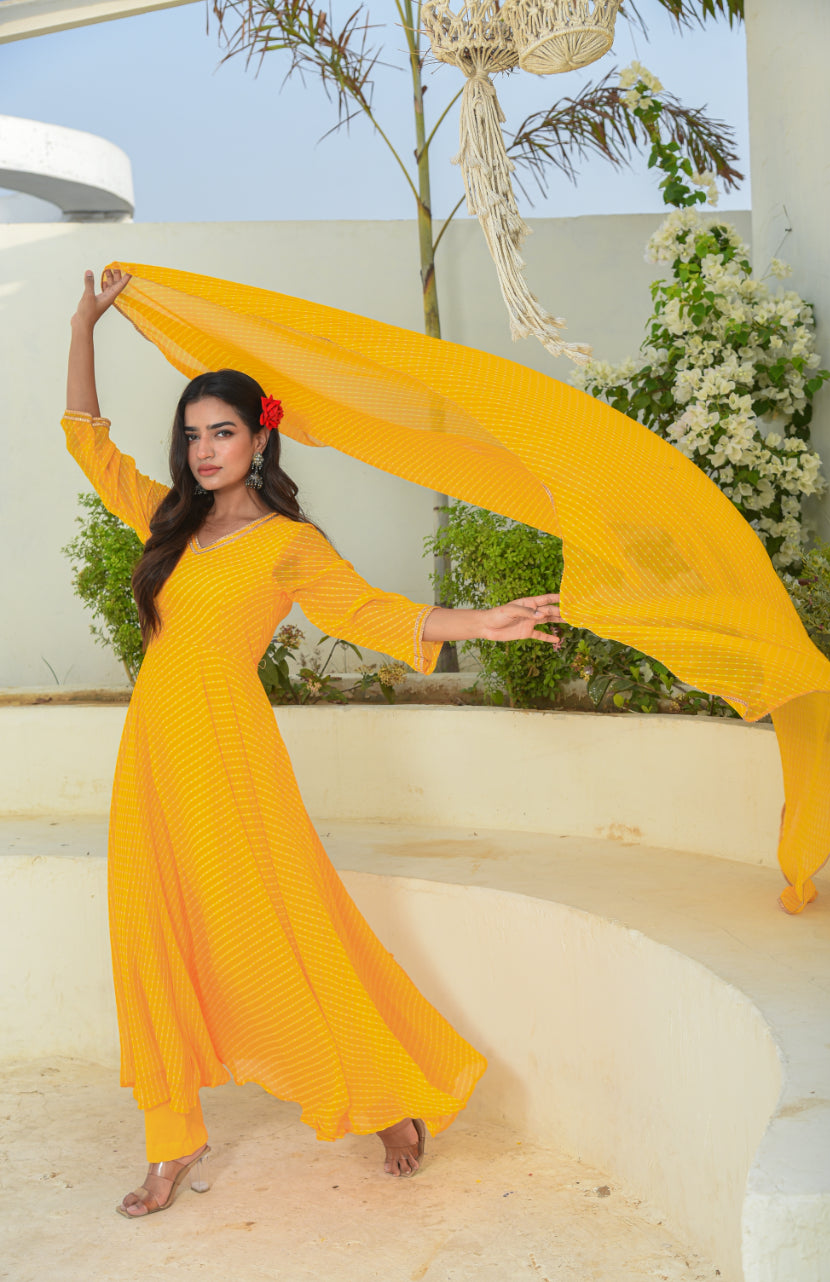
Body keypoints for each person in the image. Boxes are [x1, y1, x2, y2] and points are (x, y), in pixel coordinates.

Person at [64, 267, 564, 1218]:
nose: (204, 449)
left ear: (259, 439)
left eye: (223, 432)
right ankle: (172, 1143)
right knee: (153, 933)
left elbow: (378, 612)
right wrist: (85, 325)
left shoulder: (289, 542)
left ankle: (381, 1097)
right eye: (193, 433)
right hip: (153, 762)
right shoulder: (167, 524)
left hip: (232, 758)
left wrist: (484, 621)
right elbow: (88, 445)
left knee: (285, 931)